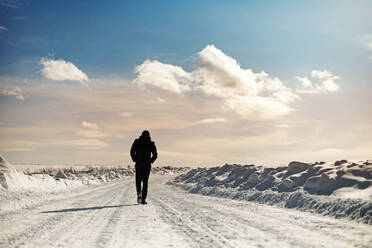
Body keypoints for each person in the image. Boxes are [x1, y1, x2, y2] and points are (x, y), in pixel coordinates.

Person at [130, 130, 157, 204]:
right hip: (147, 165)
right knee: (145, 182)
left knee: (138, 180)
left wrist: (135, 159)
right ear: (149, 136)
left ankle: (139, 192)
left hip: (139, 164)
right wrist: (151, 161)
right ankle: (143, 199)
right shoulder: (151, 143)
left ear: (141, 135)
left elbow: (132, 151)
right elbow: (155, 154)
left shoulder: (137, 141)